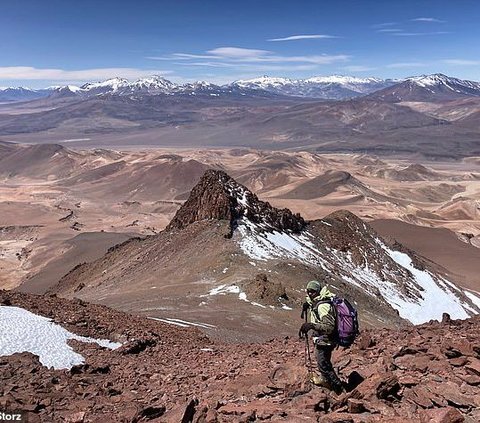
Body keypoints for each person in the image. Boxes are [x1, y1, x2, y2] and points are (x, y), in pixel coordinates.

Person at [299, 280, 344, 394]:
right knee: (323, 363)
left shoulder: (322, 306)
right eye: (308, 291)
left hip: (326, 340)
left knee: (323, 365)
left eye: (312, 291)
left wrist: (311, 325)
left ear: (318, 292)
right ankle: (327, 381)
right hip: (323, 339)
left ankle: (339, 389)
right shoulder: (318, 301)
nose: (309, 294)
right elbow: (312, 302)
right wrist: (308, 304)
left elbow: (329, 327)